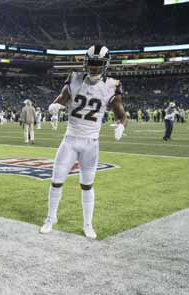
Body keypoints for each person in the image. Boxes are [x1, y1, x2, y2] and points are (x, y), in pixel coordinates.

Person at [40, 45, 128, 239]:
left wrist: (122, 125)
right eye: (92, 62)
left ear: (105, 64)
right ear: (86, 62)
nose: (94, 67)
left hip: (91, 142)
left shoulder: (112, 85)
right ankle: (50, 218)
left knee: (87, 184)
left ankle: (88, 224)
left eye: (98, 63)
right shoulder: (74, 78)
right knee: (56, 181)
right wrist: (55, 107)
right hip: (70, 139)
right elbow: (61, 99)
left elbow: (121, 114)